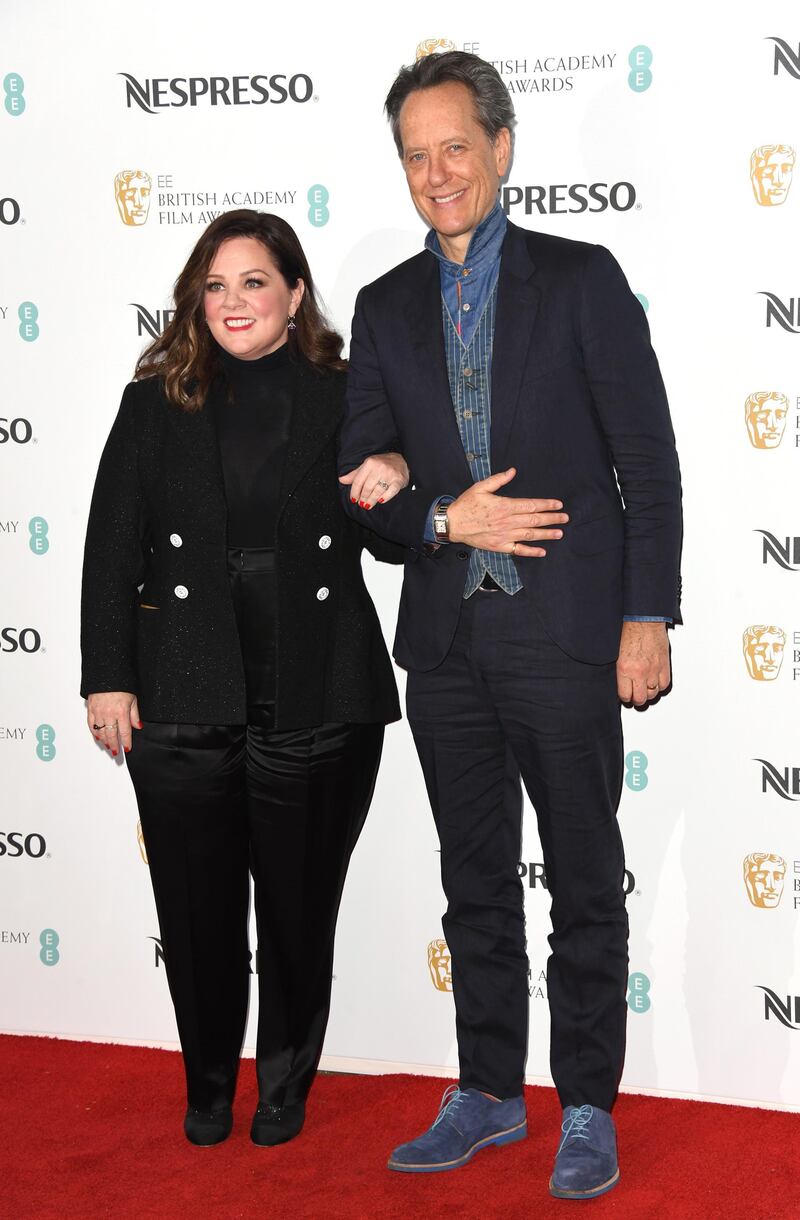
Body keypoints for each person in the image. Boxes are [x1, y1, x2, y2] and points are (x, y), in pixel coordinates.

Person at [339, 52, 682, 1199]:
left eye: (453, 145)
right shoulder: (383, 307)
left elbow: (646, 463)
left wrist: (645, 615)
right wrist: (442, 512)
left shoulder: (580, 279)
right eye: (413, 152)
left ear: (498, 146)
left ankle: (584, 1100)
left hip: (567, 633)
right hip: (444, 646)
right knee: (471, 876)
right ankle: (487, 1089)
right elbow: (366, 490)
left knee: (583, 877)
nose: (435, 171)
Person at [81, 209, 406, 1148]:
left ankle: (287, 1082)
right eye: (215, 285)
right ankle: (210, 1084)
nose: (233, 302)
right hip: (182, 687)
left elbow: (398, 523)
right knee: (196, 909)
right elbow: (113, 548)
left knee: (302, 908)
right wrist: (109, 676)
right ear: (195, 298)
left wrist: (396, 461)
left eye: (254, 282)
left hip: (320, 686)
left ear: (295, 294)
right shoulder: (154, 402)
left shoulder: (350, 397)